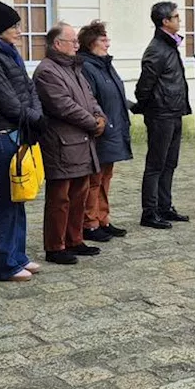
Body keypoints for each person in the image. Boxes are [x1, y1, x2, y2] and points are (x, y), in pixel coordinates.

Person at [0, 2, 44, 282]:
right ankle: (3, 264)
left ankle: (18, 255)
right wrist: (33, 118)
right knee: (7, 200)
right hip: (4, 135)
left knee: (19, 196)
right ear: (0, 28)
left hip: (21, 132)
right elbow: (7, 100)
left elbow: (28, 88)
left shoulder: (9, 52)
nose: (19, 31)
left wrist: (36, 115)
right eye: (14, 26)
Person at [33, 23, 106, 264]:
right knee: (60, 198)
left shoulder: (75, 67)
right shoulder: (47, 71)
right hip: (62, 142)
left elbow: (89, 98)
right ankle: (55, 246)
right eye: (72, 41)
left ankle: (75, 239)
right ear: (57, 44)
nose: (77, 44)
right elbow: (63, 105)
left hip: (82, 141)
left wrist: (100, 116)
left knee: (80, 194)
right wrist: (92, 122)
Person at [135, 2, 191, 229]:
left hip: (174, 112)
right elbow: (144, 86)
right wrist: (148, 107)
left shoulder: (169, 46)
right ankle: (149, 212)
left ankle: (164, 206)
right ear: (165, 21)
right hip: (161, 114)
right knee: (156, 164)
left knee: (170, 163)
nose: (179, 20)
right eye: (176, 17)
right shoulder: (157, 49)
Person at [79, 20, 134, 243]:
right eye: (103, 40)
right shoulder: (87, 67)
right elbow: (91, 99)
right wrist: (101, 122)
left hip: (113, 129)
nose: (108, 44)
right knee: (94, 180)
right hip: (100, 131)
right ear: (91, 43)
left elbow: (116, 95)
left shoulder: (105, 65)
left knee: (105, 178)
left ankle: (103, 218)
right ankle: (89, 223)